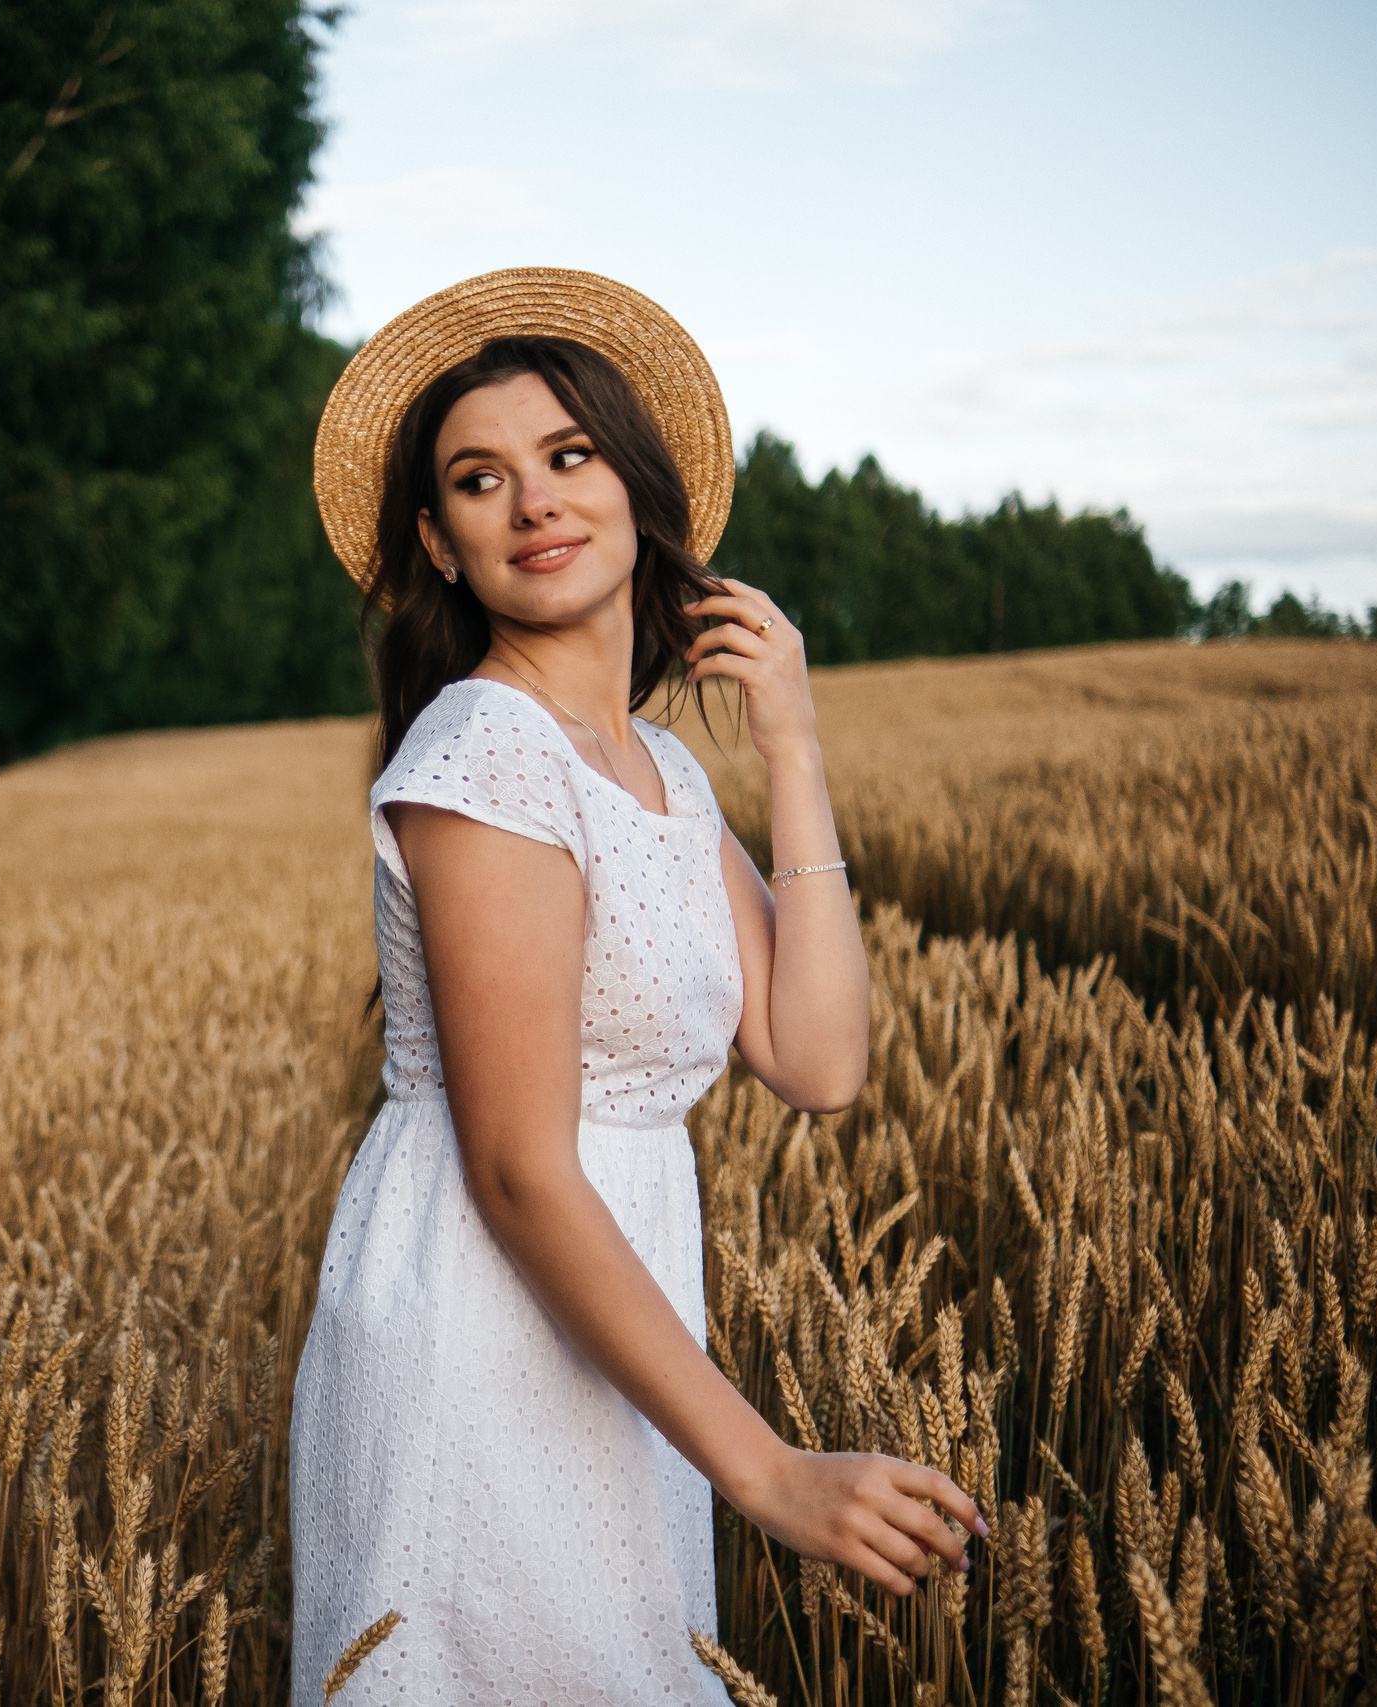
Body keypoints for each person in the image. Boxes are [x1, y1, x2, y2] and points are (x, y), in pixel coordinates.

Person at [289, 269, 987, 1704]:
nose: (533, 502)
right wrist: (770, 1473)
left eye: (569, 456)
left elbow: (818, 1058)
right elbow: (516, 1168)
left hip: (628, 1334)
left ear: (636, 485)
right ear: (438, 541)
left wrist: (791, 751)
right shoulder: (485, 748)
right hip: (478, 1330)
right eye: (480, 481)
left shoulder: (660, 772)